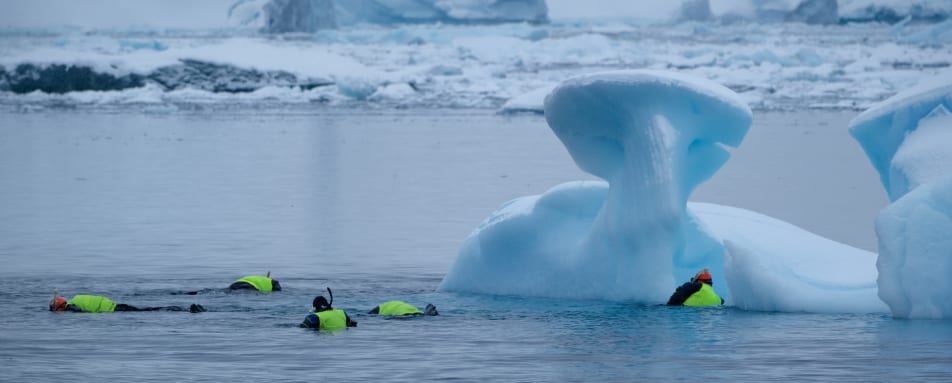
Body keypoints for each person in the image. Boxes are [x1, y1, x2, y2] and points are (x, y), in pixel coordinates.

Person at [49, 292, 206, 313]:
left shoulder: (72, 307)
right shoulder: (77, 297)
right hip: (116, 306)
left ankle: (185, 310)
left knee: (149, 310)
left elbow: (78, 311)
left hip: (116, 311)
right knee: (149, 309)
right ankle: (184, 309)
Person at [368, 301, 439, 316]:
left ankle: (426, 313)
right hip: (411, 308)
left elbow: (369, 315)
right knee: (417, 314)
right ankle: (427, 312)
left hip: (401, 311)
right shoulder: (387, 305)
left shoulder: (380, 309)